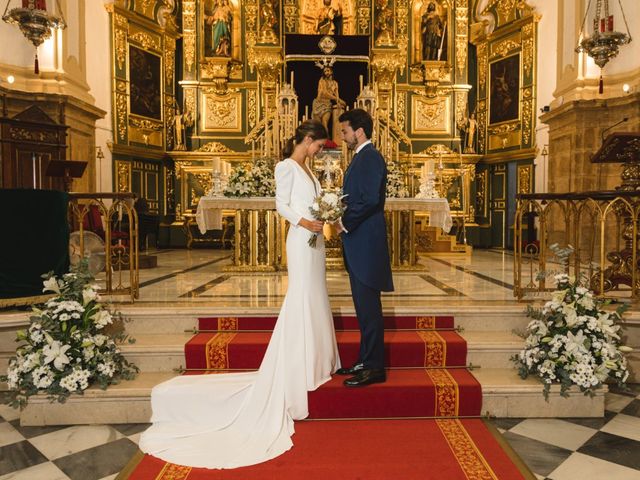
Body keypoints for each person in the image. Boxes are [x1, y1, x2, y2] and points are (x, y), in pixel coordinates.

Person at [138, 120, 341, 469]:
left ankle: (317, 360)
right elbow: (282, 205)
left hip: (316, 240)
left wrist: (327, 214)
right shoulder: (285, 166)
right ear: (306, 140)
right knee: (302, 295)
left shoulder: (308, 167)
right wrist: (304, 222)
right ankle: (299, 363)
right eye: (318, 145)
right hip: (301, 239)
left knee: (316, 295)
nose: (320, 150)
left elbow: (314, 202)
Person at [334, 109, 394, 387]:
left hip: (366, 242)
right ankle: (365, 359)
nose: (343, 136)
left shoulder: (370, 157)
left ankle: (374, 368)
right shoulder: (361, 158)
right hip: (360, 241)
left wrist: (343, 222)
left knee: (369, 308)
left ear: (359, 131)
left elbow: (370, 199)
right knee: (363, 307)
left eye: (345, 131)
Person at [312, 66, 346, 143]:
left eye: (327, 71)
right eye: (325, 71)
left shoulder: (335, 83)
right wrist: (337, 99)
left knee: (325, 122)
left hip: (327, 104)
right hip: (318, 103)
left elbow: (337, 96)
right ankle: (319, 140)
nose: (326, 72)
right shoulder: (322, 81)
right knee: (318, 124)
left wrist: (339, 102)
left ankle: (326, 140)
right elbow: (324, 93)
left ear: (331, 72)